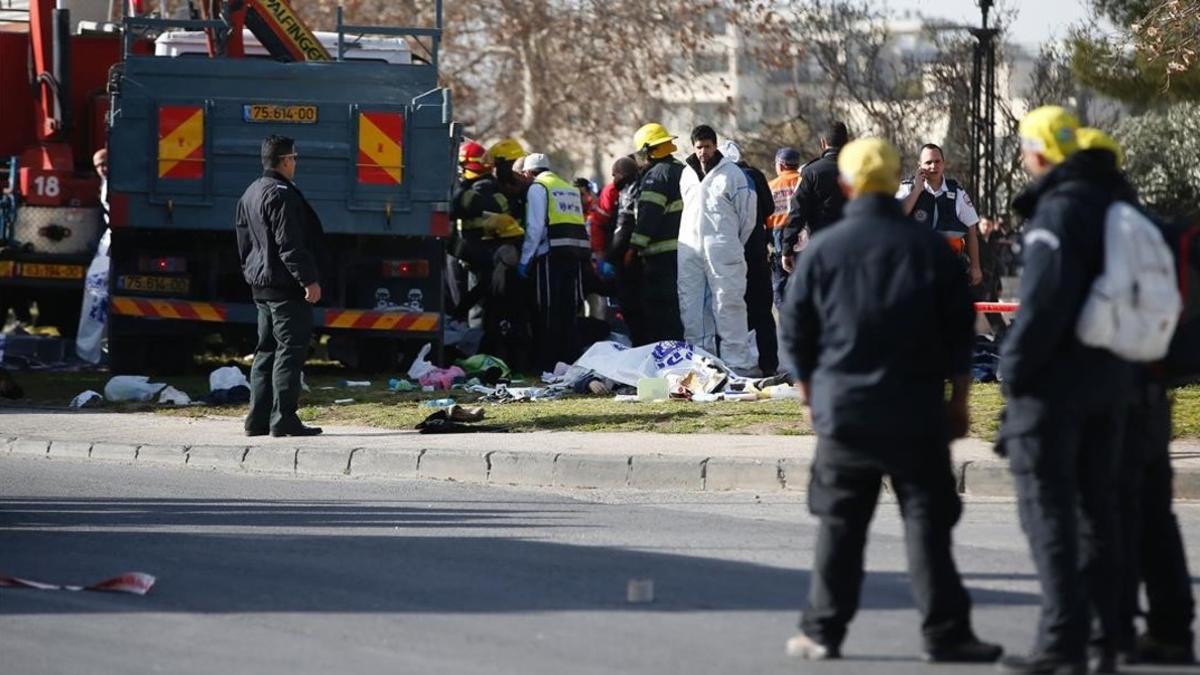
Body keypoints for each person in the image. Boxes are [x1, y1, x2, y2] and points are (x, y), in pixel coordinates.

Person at [779, 136, 1001, 665]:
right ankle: (947, 633)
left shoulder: (825, 250)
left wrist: (811, 399)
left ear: (850, 185)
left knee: (841, 525)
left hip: (845, 412)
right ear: (898, 180)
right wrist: (960, 402)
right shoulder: (928, 249)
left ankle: (821, 630)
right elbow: (958, 336)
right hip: (916, 409)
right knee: (927, 526)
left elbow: (797, 333)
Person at [995, 107, 1136, 674]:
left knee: (1048, 512)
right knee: (1096, 508)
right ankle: (1106, 634)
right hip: (1109, 377)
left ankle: (1062, 639)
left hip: (1057, 384)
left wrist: (1014, 370)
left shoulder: (1058, 210)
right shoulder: (1113, 203)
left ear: (1038, 152)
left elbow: (1044, 306)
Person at [1077, 127, 1196, 666]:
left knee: (1112, 508)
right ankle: (1170, 628)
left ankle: (1116, 626)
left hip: (1113, 388)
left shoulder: (1100, 225)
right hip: (1154, 387)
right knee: (1154, 510)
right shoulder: (1146, 224)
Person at [235, 134, 324, 438]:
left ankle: (256, 419)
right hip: (286, 287)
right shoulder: (282, 193)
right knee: (290, 350)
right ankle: (284, 418)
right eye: (294, 159)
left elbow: (244, 243)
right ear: (286, 160)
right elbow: (290, 244)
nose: (295, 164)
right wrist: (308, 280)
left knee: (266, 351)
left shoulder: (251, 191)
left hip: (261, 285)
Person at [678, 126, 757, 375]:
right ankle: (702, 364)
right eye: (699, 147)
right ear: (693, 147)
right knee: (691, 306)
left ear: (716, 146)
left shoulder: (733, 175)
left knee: (729, 304)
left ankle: (738, 364)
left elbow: (748, 217)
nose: (703, 152)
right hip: (690, 249)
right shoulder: (686, 175)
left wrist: (729, 242)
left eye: (708, 146)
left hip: (724, 250)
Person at [518, 153, 589, 370]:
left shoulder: (538, 188)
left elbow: (535, 227)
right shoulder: (568, 187)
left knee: (548, 311)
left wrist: (525, 260)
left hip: (549, 256)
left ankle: (547, 363)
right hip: (573, 256)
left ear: (529, 172)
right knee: (569, 311)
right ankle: (570, 360)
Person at [722, 139, 779, 375]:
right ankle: (769, 365)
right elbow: (769, 208)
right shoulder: (755, 175)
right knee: (762, 312)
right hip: (756, 253)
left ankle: (740, 363)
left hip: (732, 255)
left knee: (733, 311)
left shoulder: (722, 178)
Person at [896, 144, 984, 287]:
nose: (933, 166)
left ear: (944, 163)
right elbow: (896, 217)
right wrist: (917, 191)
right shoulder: (907, 188)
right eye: (928, 162)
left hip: (948, 270)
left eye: (937, 162)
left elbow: (972, 231)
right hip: (914, 271)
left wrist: (975, 267)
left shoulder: (958, 193)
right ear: (920, 165)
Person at [630, 122, 686, 342]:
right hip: (685, 253)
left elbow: (648, 216)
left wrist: (634, 248)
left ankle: (662, 360)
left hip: (660, 257)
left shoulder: (656, 176)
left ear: (647, 151)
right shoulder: (683, 171)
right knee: (679, 309)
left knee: (660, 313)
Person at [781, 121, 849, 274]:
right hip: (854, 244)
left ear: (823, 142)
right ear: (847, 142)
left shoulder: (811, 172)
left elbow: (797, 211)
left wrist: (787, 248)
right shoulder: (858, 170)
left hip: (821, 244)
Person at [607, 157, 648, 345]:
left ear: (622, 174)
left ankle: (639, 346)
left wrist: (611, 256)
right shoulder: (641, 185)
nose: (613, 179)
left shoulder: (628, 191)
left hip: (628, 261)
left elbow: (623, 228)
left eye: (614, 174)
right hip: (641, 258)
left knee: (632, 309)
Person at [767, 147, 803, 308]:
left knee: (781, 287)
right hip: (804, 236)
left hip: (779, 238)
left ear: (780, 165)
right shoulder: (804, 181)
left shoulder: (771, 186)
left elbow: (765, 217)